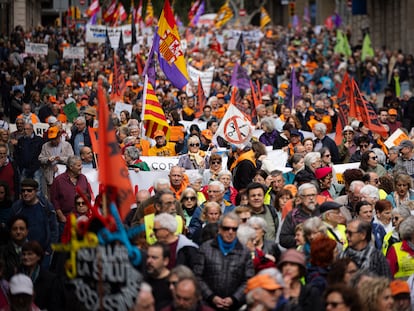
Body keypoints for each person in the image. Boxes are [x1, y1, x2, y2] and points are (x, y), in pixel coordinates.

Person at [193, 212, 254, 311]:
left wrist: (234, 299)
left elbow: (248, 280)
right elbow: (197, 276)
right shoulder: (205, 248)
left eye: (234, 229)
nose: (230, 232)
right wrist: (212, 297)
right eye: (226, 228)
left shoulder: (244, 252)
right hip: (208, 305)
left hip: (235, 306)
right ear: (220, 229)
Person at [10, 179, 58, 267]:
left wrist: (49, 250)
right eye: (23, 191)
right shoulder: (16, 208)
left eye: (29, 190)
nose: (26, 193)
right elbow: (10, 229)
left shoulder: (45, 206)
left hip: (43, 253)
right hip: (22, 254)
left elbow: (54, 229)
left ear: (36, 191)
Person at [50, 155, 93, 237]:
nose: (81, 167)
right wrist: (61, 217)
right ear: (71, 167)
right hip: (66, 220)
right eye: (78, 165)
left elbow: (88, 196)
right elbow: (54, 200)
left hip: (82, 219)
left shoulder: (83, 178)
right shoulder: (58, 180)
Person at [20, 241, 64, 310]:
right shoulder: (17, 276)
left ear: (39, 257)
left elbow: (55, 305)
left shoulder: (51, 279)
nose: (25, 257)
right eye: (23, 254)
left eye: (30, 254)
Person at [280, 183, 320, 249]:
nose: (311, 198)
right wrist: (302, 239)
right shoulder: (292, 215)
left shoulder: (323, 212)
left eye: (313, 195)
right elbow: (283, 239)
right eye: (308, 195)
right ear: (301, 198)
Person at [38, 126, 74, 193]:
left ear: (59, 136)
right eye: (51, 139)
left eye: (55, 138)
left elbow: (72, 159)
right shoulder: (45, 146)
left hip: (65, 177)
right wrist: (47, 160)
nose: (53, 141)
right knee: (51, 196)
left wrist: (60, 159)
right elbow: (40, 159)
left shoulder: (67, 145)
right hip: (50, 177)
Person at [144, 242, 173, 311]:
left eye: (154, 258)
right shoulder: (142, 280)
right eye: (148, 257)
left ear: (165, 261)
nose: (149, 261)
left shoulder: (173, 283)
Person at [0, 215, 29, 280]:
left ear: (27, 231)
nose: (18, 232)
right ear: (10, 231)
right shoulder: (2, 251)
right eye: (15, 229)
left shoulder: (34, 250)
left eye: (21, 229)